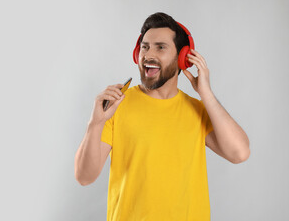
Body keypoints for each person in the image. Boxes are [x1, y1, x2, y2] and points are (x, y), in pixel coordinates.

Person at [74, 12, 250, 220]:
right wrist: (95, 123)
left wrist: (206, 94)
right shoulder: (116, 106)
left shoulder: (198, 110)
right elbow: (84, 177)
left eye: (160, 47)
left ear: (183, 58)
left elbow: (240, 153)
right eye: (145, 46)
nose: (148, 54)